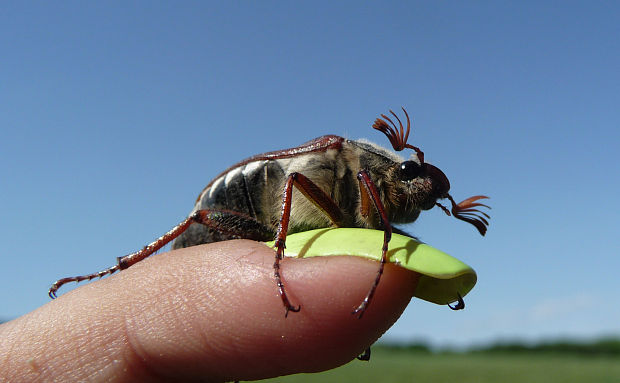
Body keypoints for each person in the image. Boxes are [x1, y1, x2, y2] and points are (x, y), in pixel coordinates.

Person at [0, 240, 419, 382]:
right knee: (202, 218)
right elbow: (291, 179)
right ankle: (117, 267)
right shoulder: (353, 165)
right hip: (242, 205)